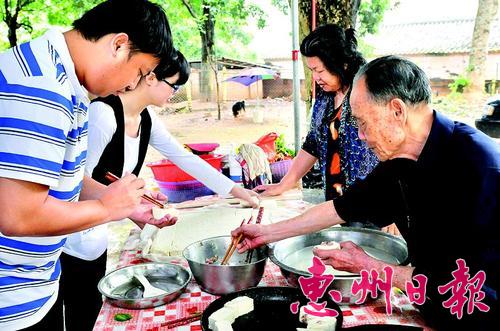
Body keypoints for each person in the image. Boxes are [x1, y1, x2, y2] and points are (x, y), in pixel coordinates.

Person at [232, 56, 499, 329]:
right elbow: (341, 208)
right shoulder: (399, 162)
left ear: (397, 111)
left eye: (362, 123)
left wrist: (369, 266)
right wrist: (267, 233)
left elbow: (481, 290)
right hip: (429, 309)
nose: (360, 135)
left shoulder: (480, 168)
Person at [0, 0, 177, 329]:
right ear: (118, 44)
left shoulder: (66, 81)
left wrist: (128, 207)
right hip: (11, 302)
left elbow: (60, 178)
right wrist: (109, 209)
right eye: (138, 73)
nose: (129, 86)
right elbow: (17, 215)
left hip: (37, 286)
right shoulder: (42, 86)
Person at [52, 50, 259, 330]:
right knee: (73, 313)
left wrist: (237, 191)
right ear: (150, 77)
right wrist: (134, 208)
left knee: (89, 314)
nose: (175, 93)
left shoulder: (145, 118)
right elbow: (76, 182)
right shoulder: (103, 114)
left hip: (96, 234)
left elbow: (183, 157)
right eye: (174, 85)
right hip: (65, 237)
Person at [255, 24, 378, 201]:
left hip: (374, 204)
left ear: (343, 64)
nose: (315, 77)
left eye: (319, 70)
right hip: (336, 204)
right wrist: (284, 184)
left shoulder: (370, 94)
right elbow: (313, 142)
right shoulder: (324, 98)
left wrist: (395, 204)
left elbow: (395, 150)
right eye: (312, 70)